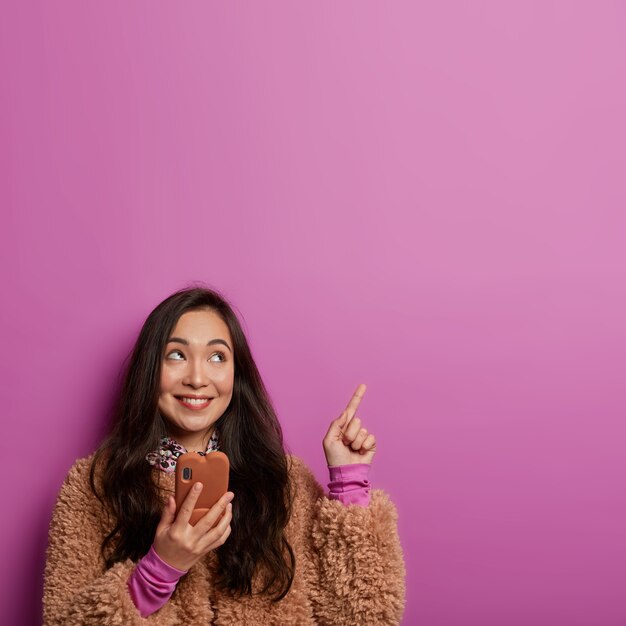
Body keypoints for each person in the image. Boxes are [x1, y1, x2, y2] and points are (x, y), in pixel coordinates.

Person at [43, 286, 406, 625]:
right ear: (150, 368)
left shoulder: (283, 480)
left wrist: (349, 482)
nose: (198, 377)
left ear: (237, 374)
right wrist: (159, 569)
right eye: (176, 355)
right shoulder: (95, 486)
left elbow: (367, 615)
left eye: (217, 356)